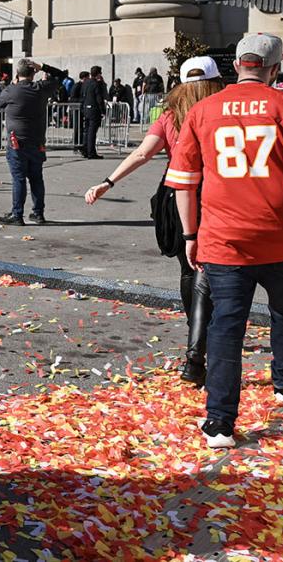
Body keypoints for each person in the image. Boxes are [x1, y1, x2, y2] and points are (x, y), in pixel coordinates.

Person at [165, 33, 283, 448]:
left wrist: (190, 235)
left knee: (226, 324)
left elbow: (183, 183)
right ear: (273, 69)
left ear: (236, 66)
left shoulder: (202, 111)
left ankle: (219, 422)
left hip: (224, 237)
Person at [84, 56, 225, 387]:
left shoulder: (170, 115)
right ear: (217, 82)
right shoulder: (221, 111)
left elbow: (142, 153)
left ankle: (197, 337)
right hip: (219, 191)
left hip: (176, 192)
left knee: (189, 269)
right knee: (214, 269)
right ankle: (200, 349)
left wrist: (108, 182)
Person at [0, 59, 69, 226]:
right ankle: (38, 213)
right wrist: (43, 66)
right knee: (36, 178)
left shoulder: (12, 90)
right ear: (33, 73)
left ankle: (17, 214)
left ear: (17, 73)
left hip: (17, 142)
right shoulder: (40, 89)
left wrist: (11, 85)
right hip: (37, 142)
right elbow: (63, 76)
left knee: (19, 179)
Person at [79, 66, 107, 159]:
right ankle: (91, 152)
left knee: (87, 131)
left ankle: (85, 150)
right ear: (98, 74)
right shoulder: (96, 84)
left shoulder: (86, 83)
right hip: (94, 110)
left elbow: (83, 95)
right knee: (92, 132)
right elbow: (99, 98)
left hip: (86, 109)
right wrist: (103, 111)